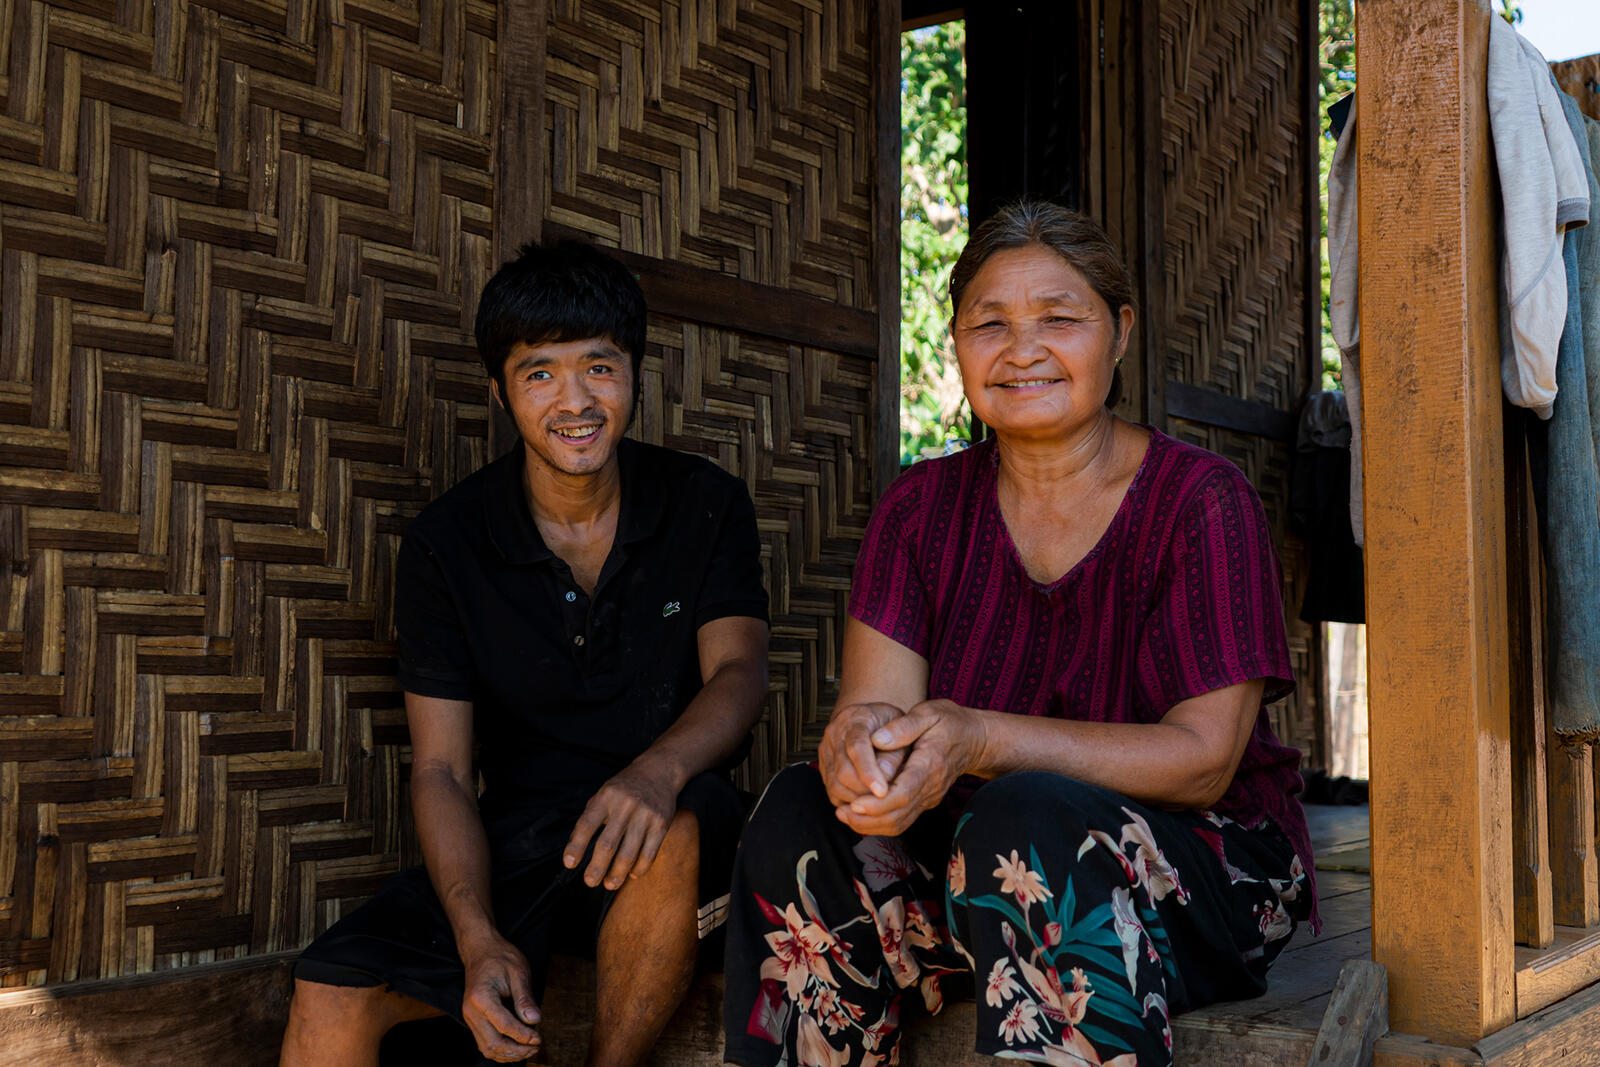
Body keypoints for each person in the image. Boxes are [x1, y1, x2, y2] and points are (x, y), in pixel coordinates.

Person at [722, 200, 1315, 1067]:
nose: (1022, 348)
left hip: (1194, 872)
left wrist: (981, 737)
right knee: (797, 807)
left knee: (1025, 817)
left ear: (1119, 334)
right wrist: (857, 751)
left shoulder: (1200, 502)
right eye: (989, 324)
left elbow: (1203, 760)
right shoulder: (920, 508)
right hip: (978, 861)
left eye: (1059, 320)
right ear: (957, 343)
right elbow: (872, 711)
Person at [280, 240, 771, 1066]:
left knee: (675, 828)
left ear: (635, 374)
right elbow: (440, 771)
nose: (574, 400)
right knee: (331, 984)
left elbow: (739, 671)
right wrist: (477, 939)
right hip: (524, 844)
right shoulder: (447, 544)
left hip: (679, 813)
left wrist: (656, 770)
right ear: (502, 391)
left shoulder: (702, 503)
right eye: (540, 372)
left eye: (599, 368)